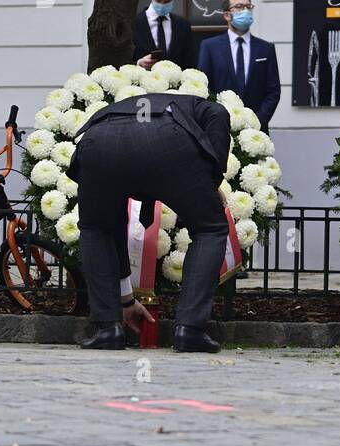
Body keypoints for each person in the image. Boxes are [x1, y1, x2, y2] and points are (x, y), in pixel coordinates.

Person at [68, 92, 231, 354]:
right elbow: (219, 114)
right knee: (210, 228)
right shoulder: (202, 107)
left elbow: (113, 231)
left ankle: (107, 328)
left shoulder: (125, 105)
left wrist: (125, 299)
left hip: (99, 142)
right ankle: (189, 329)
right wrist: (213, 179)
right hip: (167, 142)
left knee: (97, 230)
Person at [198, 0, 282, 132]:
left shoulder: (266, 49)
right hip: (220, 128)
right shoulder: (210, 47)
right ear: (226, 15)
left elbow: (273, 91)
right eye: (239, 7)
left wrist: (257, 122)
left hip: (256, 132)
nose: (245, 11)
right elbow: (204, 87)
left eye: (248, 7)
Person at [132, 0, 196, 70]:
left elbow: (189, 63)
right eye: (158, 0)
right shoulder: (133, 24)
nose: (162, 5)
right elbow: (122, 60)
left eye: (167, 2)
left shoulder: (182, 25)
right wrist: (139, 63)